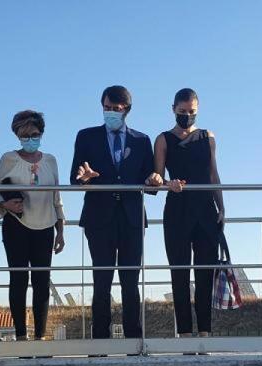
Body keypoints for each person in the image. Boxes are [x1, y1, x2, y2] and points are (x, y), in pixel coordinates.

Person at [70, 85, 155, 339]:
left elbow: (150, 181)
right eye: (106, 108)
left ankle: (134, 340)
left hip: (131, 218)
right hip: (99, 217)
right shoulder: (86, 136)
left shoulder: (142, 140)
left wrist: (154, 179)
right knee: (101, 280)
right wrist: (85, 178)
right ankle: (100, 341)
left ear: (126, 110)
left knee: (131, 281)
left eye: (116, 109)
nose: (110, 113)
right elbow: (75, 178)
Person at [150, 88, 225, 338]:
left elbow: (213, 174)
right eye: (182, 111)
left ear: (198, 109)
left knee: (205, 272)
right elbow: (157, 177)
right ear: (173, 109)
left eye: (191, 111)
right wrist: (166, 183)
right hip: (177, 209)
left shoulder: (208, 136)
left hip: (206, 209)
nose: (187, 115)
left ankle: (205, 331)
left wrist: (222, 207)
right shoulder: (163, 139)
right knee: (179, 271)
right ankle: (184, 332)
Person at [0, 110, 65, 341]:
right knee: (18, 280)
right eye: (24, 135)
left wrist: (61, 230)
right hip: (16, 225)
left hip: (45, 226)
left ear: (41, 133)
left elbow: (57, 196)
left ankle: (40, 336)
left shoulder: (51, 161)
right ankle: (21, 335)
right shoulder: (8, 159)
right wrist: (4, 204)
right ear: (17, 135)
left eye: (34, 134)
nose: (29, 139)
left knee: (42, 282)